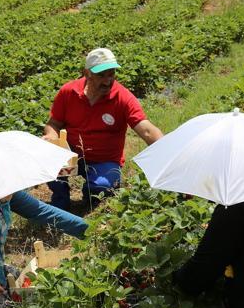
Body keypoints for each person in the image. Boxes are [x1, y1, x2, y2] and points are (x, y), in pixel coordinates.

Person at [43, 48, 163, 210]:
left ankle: (90, 198)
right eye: (101, 75)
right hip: (72, 156)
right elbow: (54, 124)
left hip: (105, 161)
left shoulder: (122, 97)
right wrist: (51, 138)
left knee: (101, 187)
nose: (107, 81)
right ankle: (60, 203)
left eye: (111, 74)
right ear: (87, 73)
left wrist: (168, 153)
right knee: (50, 166)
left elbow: (146, 130)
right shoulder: (69, 92)